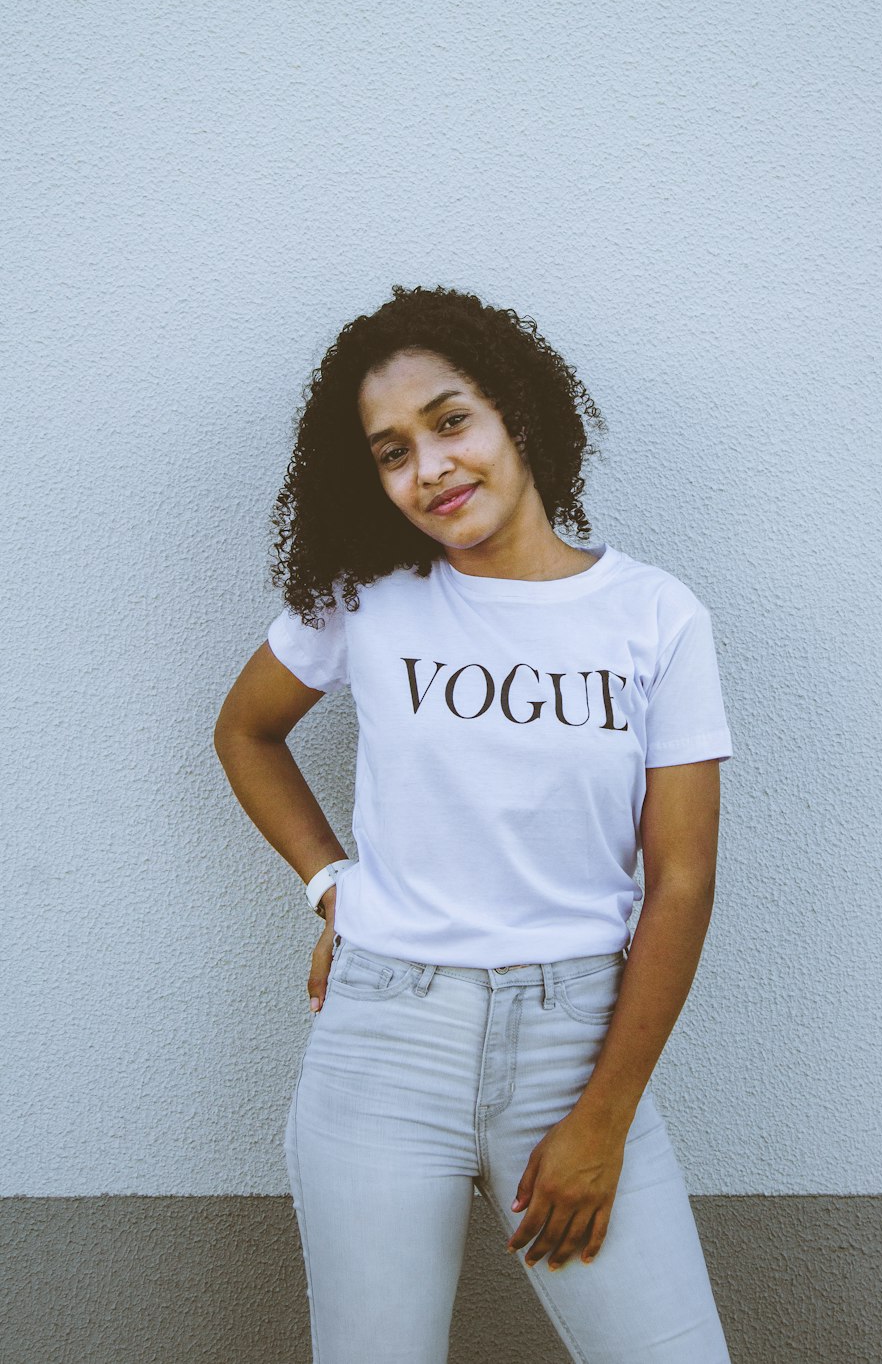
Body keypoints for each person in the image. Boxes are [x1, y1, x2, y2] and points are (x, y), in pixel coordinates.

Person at [214, 284, 735, 1364]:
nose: (431, 467)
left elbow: (681, 882)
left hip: (578, 1048)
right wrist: (333, 885)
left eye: (450, 422)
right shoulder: (366, 595)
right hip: (384, 1041)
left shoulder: (654, 616)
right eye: (392, 450)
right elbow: (245, 733)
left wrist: (602, 1120)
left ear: (515, 415)